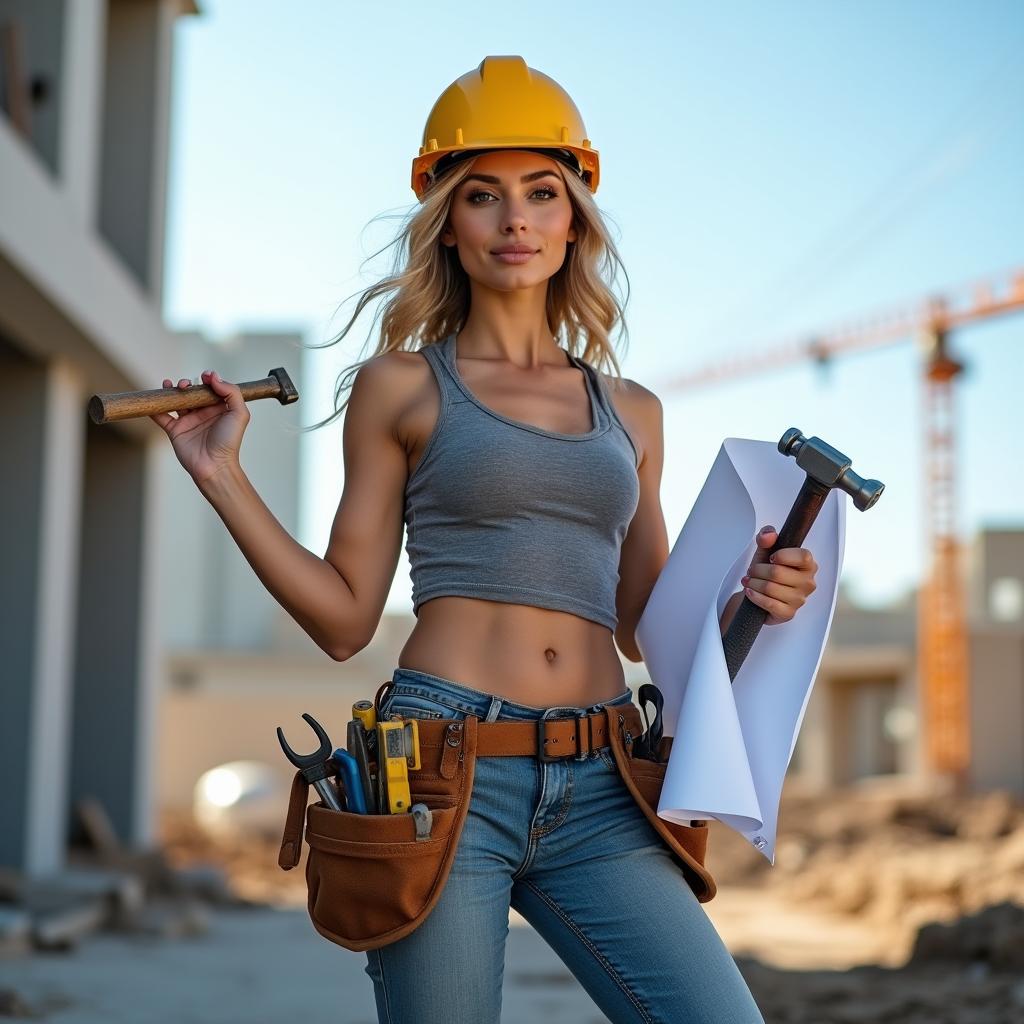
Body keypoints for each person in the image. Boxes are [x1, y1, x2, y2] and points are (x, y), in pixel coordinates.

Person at [153, 56, 817, 1024]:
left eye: (542, 193)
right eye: (483, 195)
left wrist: (755, 592)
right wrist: (221, 477)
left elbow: (646, 624)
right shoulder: (400, 386)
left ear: (574, 219)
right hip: (436, 765)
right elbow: (344, 618)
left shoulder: (631, 410)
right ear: (446, 223)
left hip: (602, 779)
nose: (515, 219)